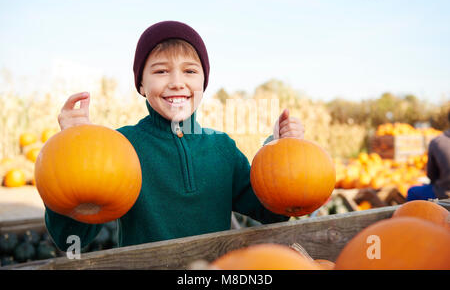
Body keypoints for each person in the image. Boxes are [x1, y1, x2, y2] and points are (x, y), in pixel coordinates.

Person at [46, 20, 305, 251]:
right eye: (161, 71)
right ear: (141, 84)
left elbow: (272, 211)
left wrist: (281, 150)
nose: (177, 82)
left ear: (203, 82)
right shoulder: (120, 148)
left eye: (190, 71)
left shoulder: (222, 149)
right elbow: (71, 235)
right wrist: (74, 149)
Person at [407, 111, 450, 201]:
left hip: (445, 194)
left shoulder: (437, 142)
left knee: (412, 191)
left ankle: (410, 215)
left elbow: (431, 176)